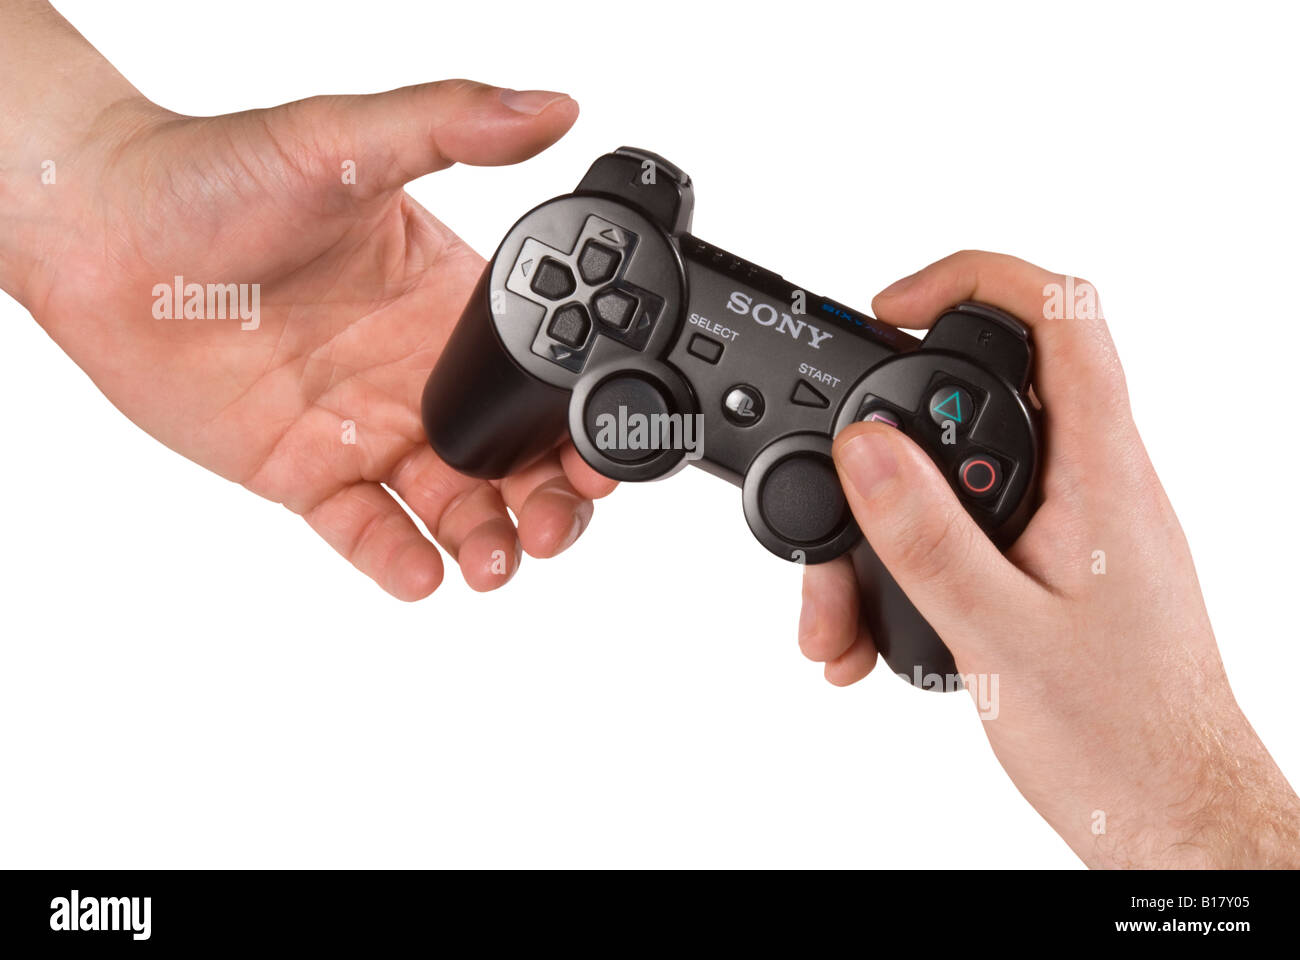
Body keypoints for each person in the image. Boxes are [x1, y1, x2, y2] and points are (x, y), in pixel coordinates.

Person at [2, 1, 1297, 868]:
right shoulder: (598, 278)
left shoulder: (608, 281)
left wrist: (86, 197)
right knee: (511, 395)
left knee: (915, 638)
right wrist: (91, 200)